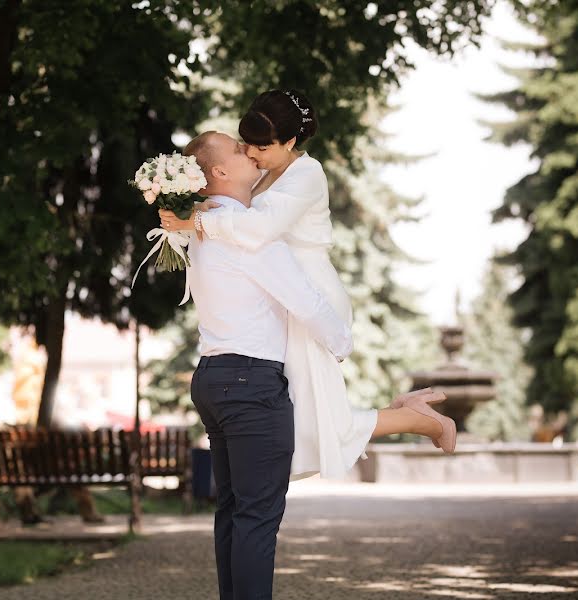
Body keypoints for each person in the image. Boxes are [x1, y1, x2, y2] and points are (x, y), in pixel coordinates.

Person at [179, 131, 452, 599]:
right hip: (249, 383)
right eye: (237, 149)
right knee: (256, 518)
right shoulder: (247, 233)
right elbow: (304, 300)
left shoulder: (202, 225)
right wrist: (340, 343)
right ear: (219, 172)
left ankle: (413, 418)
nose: (249, 152)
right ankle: (414, 418)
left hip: (212, 378)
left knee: (233, 511)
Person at [160, 90, 456, 482]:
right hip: (283, 294)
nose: (251, 153)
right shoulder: (265, 171)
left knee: (314, 424)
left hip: (310, 293)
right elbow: (235, 209)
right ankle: (407, 413)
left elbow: (260, 229)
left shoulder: (306, 174)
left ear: (290, 142)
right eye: (247, 143)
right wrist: (192, 204)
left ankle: (421, 422)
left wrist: (194, 222)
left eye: (261, 147)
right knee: (304, 421)